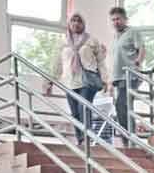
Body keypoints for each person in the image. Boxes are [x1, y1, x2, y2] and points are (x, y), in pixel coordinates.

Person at [47, 12, 110, 145]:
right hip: (69, 82)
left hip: (87, 80)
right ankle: (80, 139)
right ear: (69, 24)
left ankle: (87, 138)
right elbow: (57, 64)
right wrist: (49, 82)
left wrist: (105, 80)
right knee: (75, 112)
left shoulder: (92, 40)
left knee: (84, 107)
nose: (76, 23)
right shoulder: (63, 42)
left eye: (79, 21)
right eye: (73, 21)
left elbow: (101, 62)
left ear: (83, 24)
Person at [109, 6, 144, 145]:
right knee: (122, 108)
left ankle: (130, 139)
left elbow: (141, 48)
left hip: (131, 76)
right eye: (113, 20)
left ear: (125, 19)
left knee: (122, 105)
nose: (115, 22)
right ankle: (128, 140)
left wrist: (138, 61)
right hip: (118, 78)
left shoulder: (132, 32)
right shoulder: (116, 37)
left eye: (118, 19)